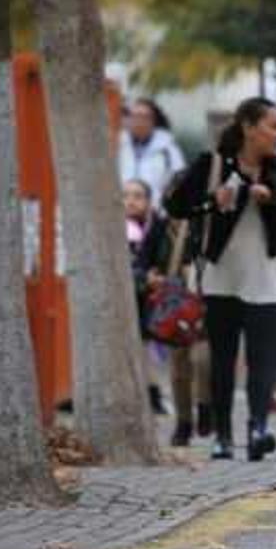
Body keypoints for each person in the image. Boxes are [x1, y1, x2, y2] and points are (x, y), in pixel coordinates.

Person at [165, 97, 276, 462]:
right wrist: (214, 200)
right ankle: (223, 436)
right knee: (222, 358)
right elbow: (177, 206)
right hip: (223, 275)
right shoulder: (212, 164)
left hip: (269, 275)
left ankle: (258, 429)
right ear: (248, 127)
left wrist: (273, 199)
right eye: (273, 127)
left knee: (264, 359)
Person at [135, 197, 213, 446]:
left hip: (205, 301)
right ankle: (183, 423)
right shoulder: (160, 226)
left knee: (202, 360)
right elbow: (141, 265)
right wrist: (150, 277)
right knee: (179, 366)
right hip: (174, 306)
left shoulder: (208, 225)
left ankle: (204, 406)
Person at [123, 178, 169, 416]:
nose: (130, 201)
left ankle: (153, 393)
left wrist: (156, 277)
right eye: (126, 195)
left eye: (138, 196)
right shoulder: (115, 227)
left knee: (148, 343)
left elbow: (165, 260)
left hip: (152, 297)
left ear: (149, 202)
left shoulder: (159, 227)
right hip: (126, 293)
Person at [118, 98, 186, 199]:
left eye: (143, 117)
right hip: (120, 210)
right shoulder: (118, 145)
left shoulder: (167, 149)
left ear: (153, 120)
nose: (138, 121)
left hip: (154, 211)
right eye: (133, 116)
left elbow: (179, 181)